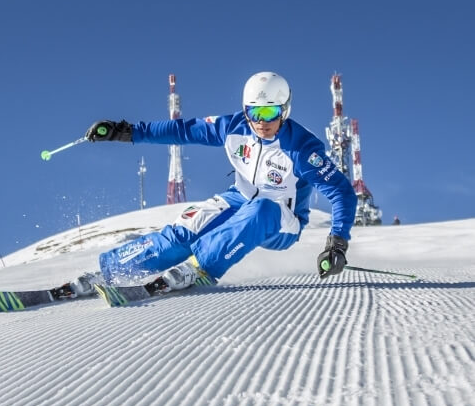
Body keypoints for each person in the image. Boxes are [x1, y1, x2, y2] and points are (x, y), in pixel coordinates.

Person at [68, 71, 358, 297]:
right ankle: (112, 271)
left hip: (281, 219)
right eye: (254, 112)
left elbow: (342, 193)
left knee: (261, 209)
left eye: (270, 113)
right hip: (237, 199)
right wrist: (127, 132)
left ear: (285, 110)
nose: (262, 121)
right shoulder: (233, 127)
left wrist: (337, 243)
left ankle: (200, 268)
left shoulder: (302, 148)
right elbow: (183, 131)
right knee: (185, 231)